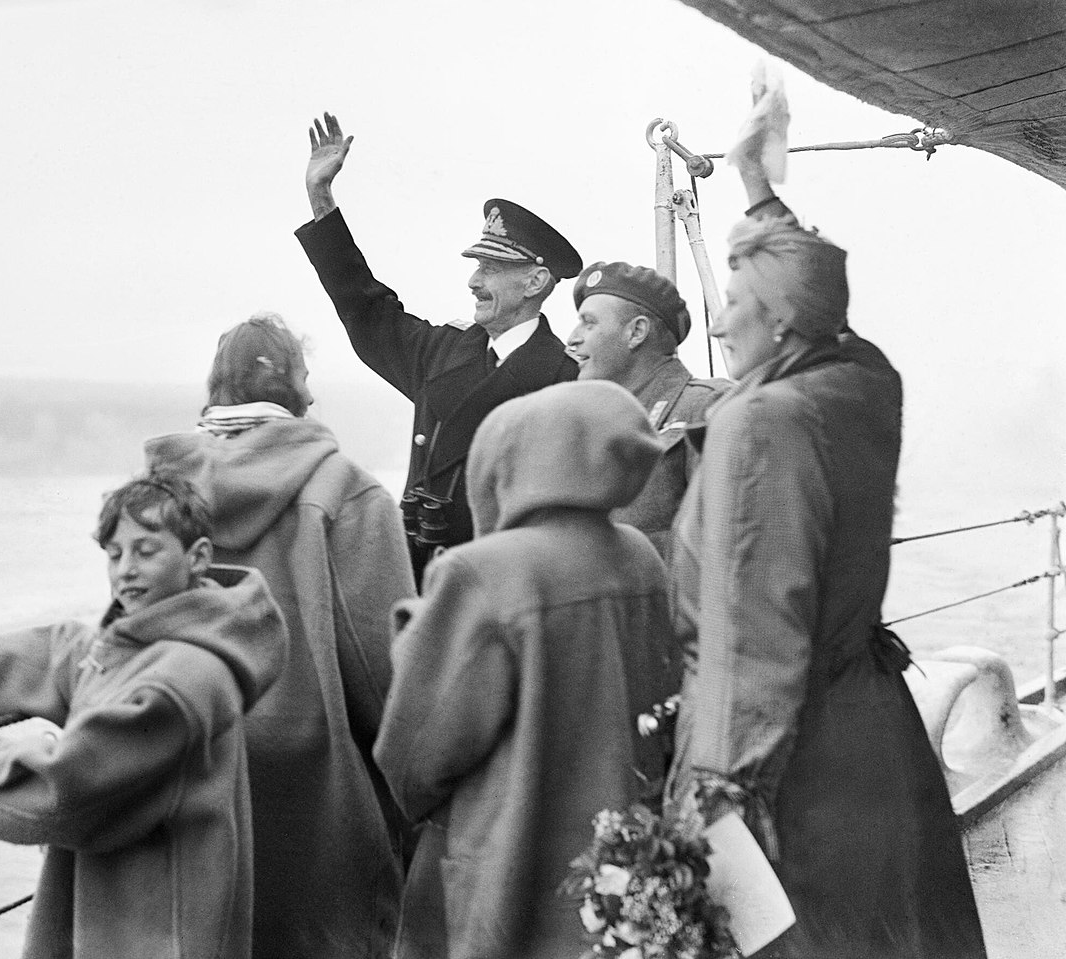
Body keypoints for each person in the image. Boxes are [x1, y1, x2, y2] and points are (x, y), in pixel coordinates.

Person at [662, 124, 987, 957]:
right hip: (873, 736)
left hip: (796, 766)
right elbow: (830, 306)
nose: (720, 322)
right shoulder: (865, 382)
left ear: (780, 323)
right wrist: (761, 197)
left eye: (737, 305)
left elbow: (755, 636)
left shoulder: (760, 423)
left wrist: (713, 802)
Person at [0, 476, 287, 959]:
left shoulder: (182, 681)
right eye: (114, 554)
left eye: (146, 551)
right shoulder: (154, 645)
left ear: (197, 556)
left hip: (158, 937)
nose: (126, 570)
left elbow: (65, 793)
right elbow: (61, 653)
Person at [373, 380, 683, 959]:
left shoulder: (482, 573)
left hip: (507, 878)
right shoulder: (640, 557)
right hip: (618, 873)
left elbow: (414, 758)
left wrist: (413, 636)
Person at [145, 311, 414, 959]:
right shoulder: (347, 492)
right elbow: (388, 676)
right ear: (301, 394)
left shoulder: (154, 498)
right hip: (311, 807)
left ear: (216, 389)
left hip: (180, 782)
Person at [296, 112, 581, 581]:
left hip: (500, 592)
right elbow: (364, 306)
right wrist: (321, 198)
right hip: (419, 586)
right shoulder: (443, 351)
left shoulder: (567, 380)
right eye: (477, 266)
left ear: (535, 282)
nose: (473, 281)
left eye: (490, 269)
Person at [567, 261, 729, 557]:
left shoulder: (706, 407)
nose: (573, 338)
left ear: (636, 332)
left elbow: (722, 542)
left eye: (589, 323)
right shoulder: (590, 424)